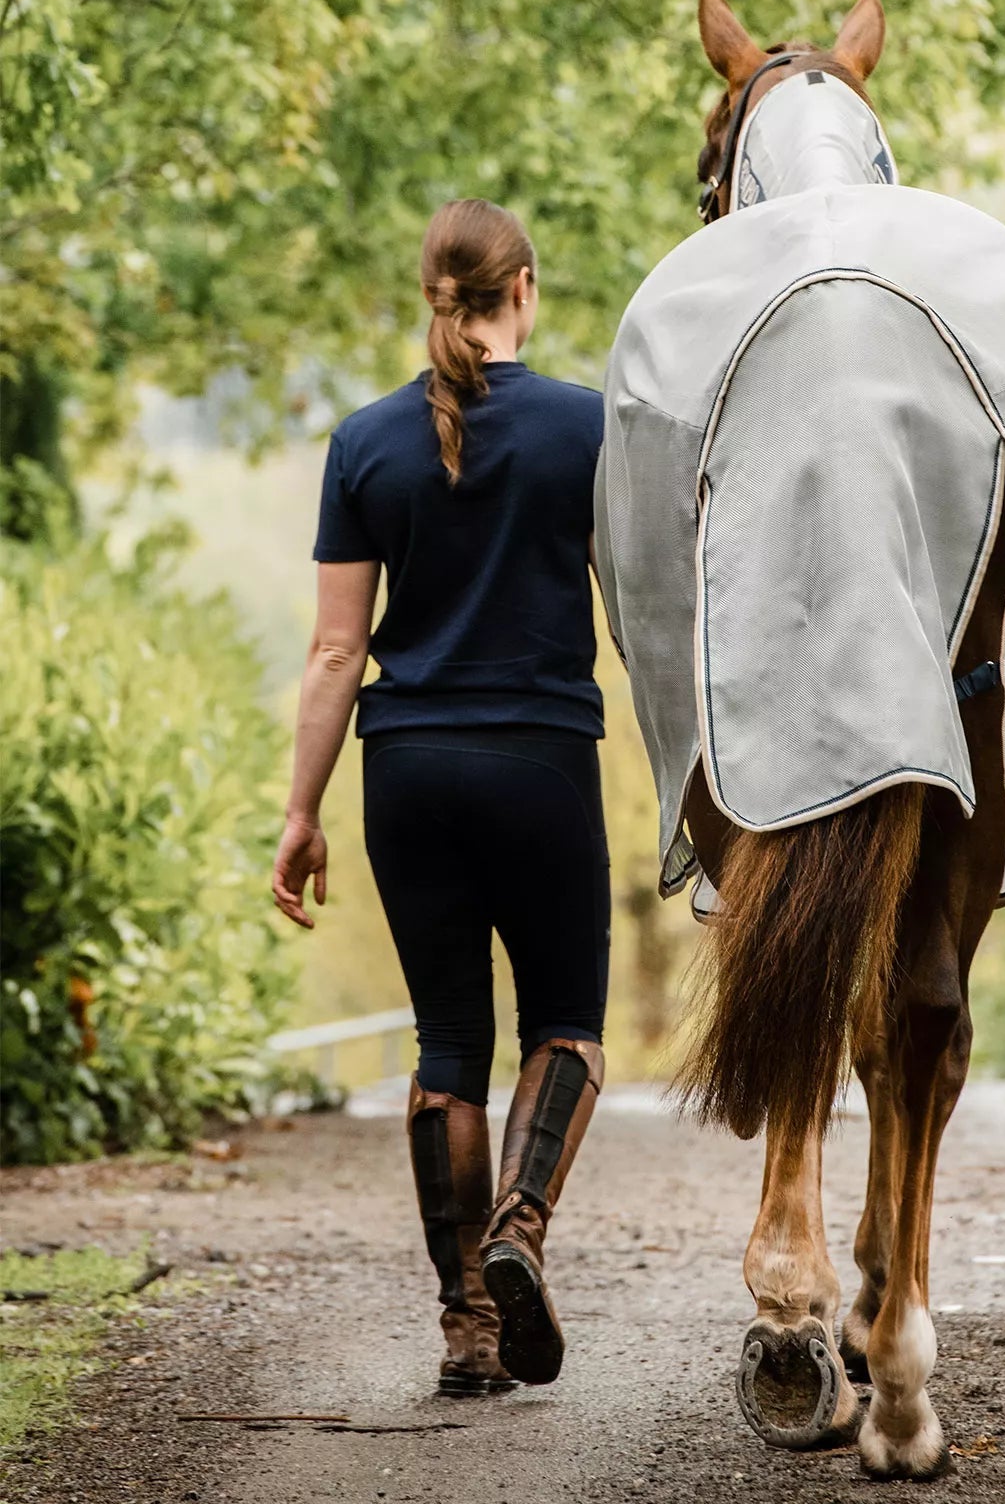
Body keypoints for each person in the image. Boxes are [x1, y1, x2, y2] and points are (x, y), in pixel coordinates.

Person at [271, 199, 609, 1396]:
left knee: (448, 1044)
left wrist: (301, 811)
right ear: (522, 287)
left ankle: (467, 1323)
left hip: (406, 770)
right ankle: (520, 1222)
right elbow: (653, 617)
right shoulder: (588, 430)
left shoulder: (365, 444)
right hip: (543, 764)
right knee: (564, 1024)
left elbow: (332, 653)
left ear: (433, 293)